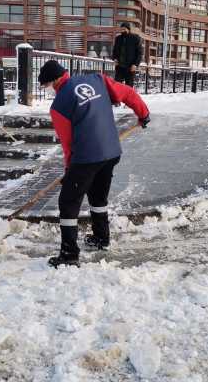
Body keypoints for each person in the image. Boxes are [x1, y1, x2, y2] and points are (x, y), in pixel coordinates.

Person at [38, 60, 150, 268]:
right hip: (111, 152)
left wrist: (69, 171)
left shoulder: (59, 105)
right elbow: (128, 94)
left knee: (68, 203)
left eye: (47, 85)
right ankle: (101, 237)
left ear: (54, 80)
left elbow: (68, 145)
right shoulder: (97, 79)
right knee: (98, 196)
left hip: (87, 157)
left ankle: (69, 254)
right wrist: (143, 114)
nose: (49, 90)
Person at [111, 22, 143, 87]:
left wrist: (135, 64)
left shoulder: (135, 38)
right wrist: (114, 59)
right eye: (121, 29)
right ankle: (118, 97)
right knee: (117, 85)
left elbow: (140, 53)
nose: (122, 31)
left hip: (130, 67)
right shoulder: (118, 38)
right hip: (119, 66)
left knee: (129, 86)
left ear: (128, 29)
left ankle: (127, 97)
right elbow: (114, 51)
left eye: (124, 29)